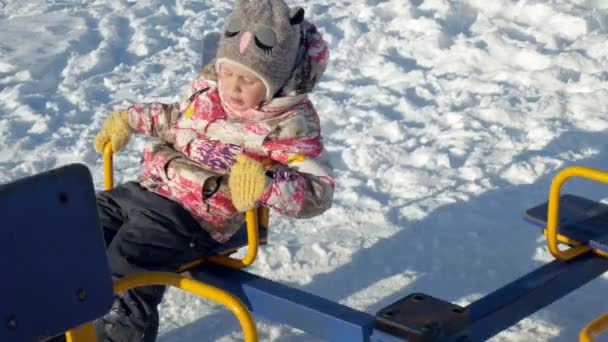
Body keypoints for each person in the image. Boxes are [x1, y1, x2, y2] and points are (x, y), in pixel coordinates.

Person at [91, 0, 334, 340]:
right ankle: (58, 324)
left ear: (275, 81)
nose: (233, 87)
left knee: (128, 269)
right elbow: (176, 118)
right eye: (228, 72)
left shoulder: (289, 123)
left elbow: (318, 191)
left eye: (248, 80)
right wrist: (129, 119)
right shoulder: (209, 89)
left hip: (195, 217)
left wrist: (265, 184)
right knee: (78, 232)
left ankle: (115, 334)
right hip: (148, 189)